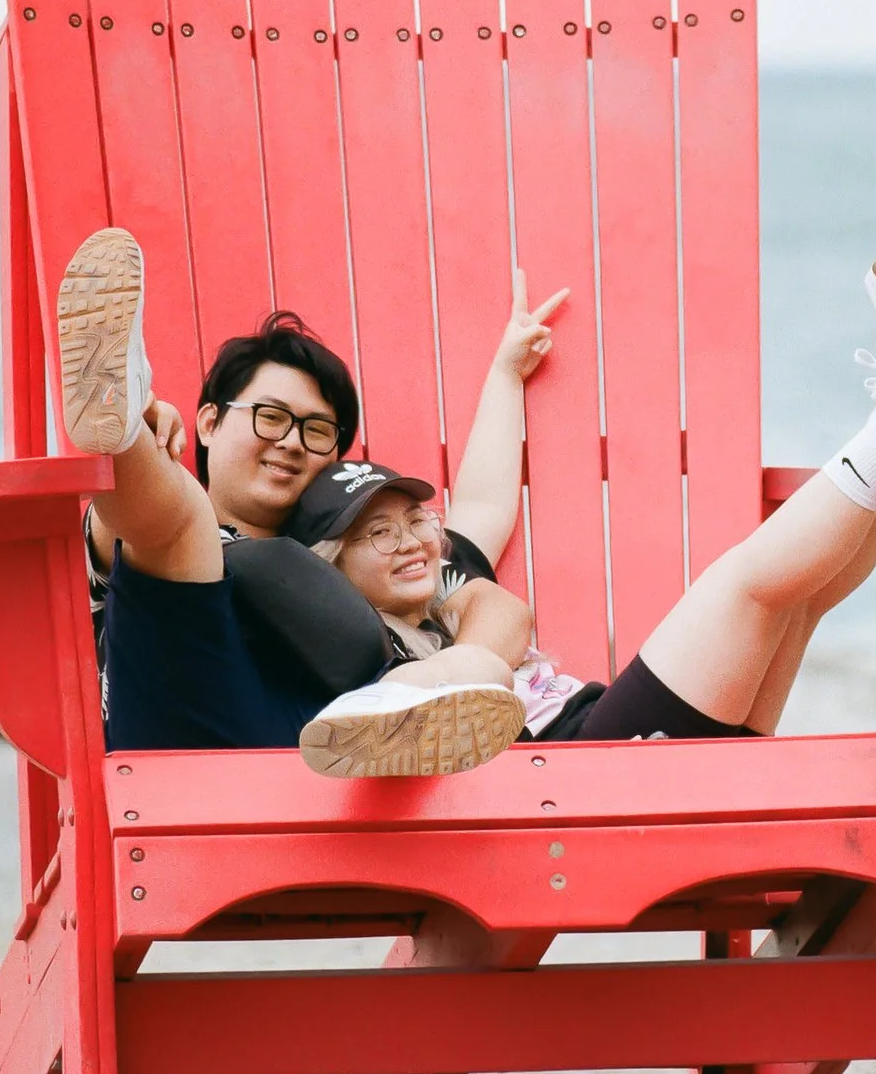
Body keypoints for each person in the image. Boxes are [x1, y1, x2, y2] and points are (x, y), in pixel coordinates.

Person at [280, 254, 876, 757]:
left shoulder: (448, 575)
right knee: (744, 586)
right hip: (592, 765)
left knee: (802, 596)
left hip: (614, 734)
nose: (410, 542)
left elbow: (489, 492)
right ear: (331, 569)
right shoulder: (362, 646)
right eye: (378, 533)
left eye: (414, 522)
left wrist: (505, 371)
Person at [59, 227, 560, 765]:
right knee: (180, 520)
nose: (292, 443)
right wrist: (136, 444)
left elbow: (480, 515)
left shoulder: (359, 547)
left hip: (313, 759)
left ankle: (123, 419)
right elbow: (133, 522)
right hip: (175, 734)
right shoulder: (172, 522)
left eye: (317, 431)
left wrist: (508, 371)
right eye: (270, 417)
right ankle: (122, 415)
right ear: (208, 421)